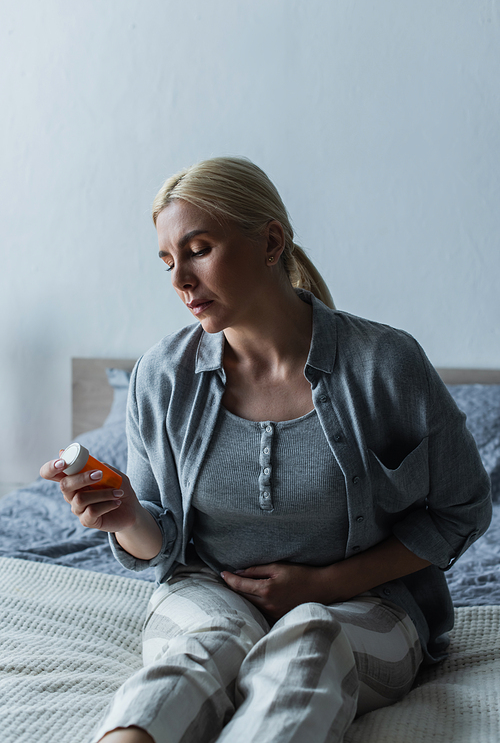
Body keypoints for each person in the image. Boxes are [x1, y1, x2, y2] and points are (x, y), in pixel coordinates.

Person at [41, 157, 491, 743]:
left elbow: (461, 511)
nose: (180, 279)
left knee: (312, 640)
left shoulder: (387, 366)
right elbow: (163, 547)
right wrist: (126, 515)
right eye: (167, 260)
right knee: (203, 650)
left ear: (271, 241)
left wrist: (324, 586)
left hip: (366, 606)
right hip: (207, 594)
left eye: (198, 249)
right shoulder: (161, 377)